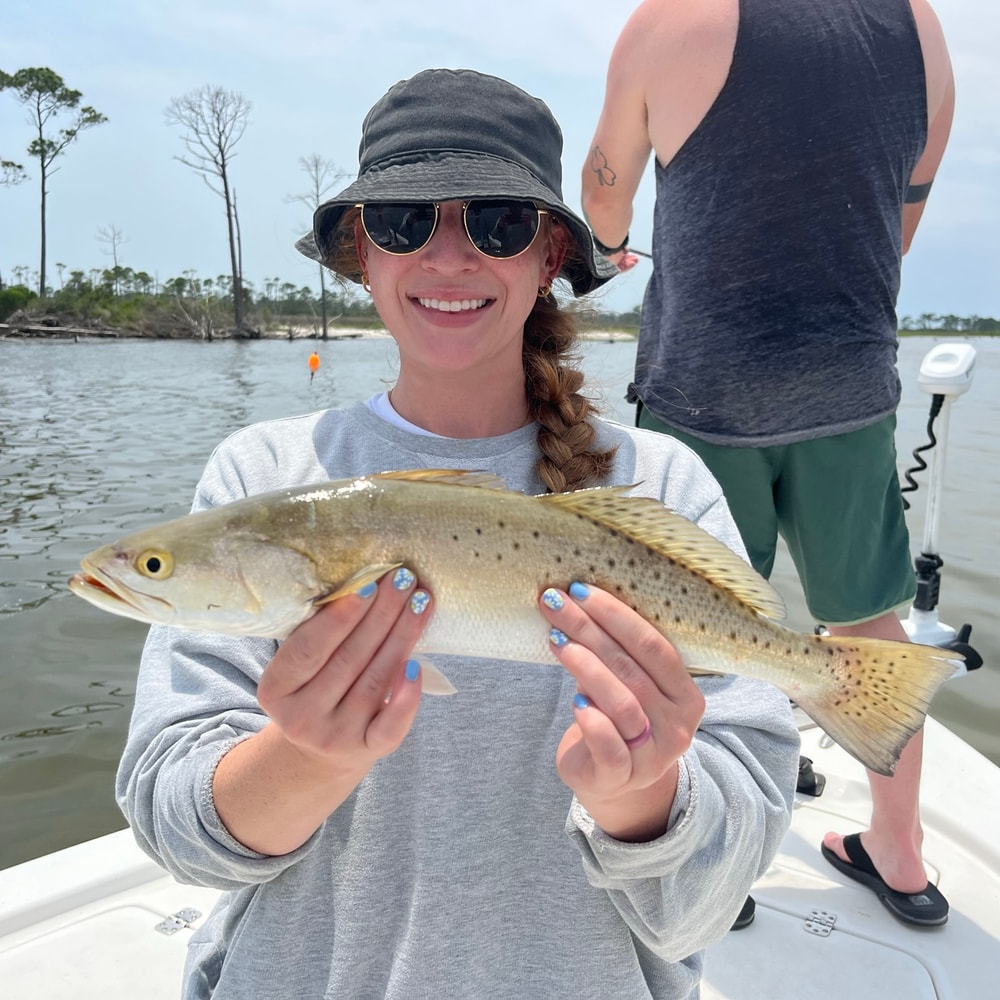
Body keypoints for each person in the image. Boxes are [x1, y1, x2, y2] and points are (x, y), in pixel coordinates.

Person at [116, 68, 799, 999]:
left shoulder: (663, 484)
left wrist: (640, 796)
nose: (448, 257)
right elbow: (180, 834)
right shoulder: (260, 475)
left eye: (497, 223)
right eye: (403, 221)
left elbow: (708, 903)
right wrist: (310, 756)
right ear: (363, 251)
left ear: (550, 250)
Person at [581, 0, 954, 928]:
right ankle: (901, 856)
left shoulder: (668, 19)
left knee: (688, 624)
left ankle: (723, 864)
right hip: (850, 385)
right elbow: (902, 217)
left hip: (704, 385)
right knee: (872, 621)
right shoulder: (924, 28)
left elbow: (604, 193)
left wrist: (611, 242)